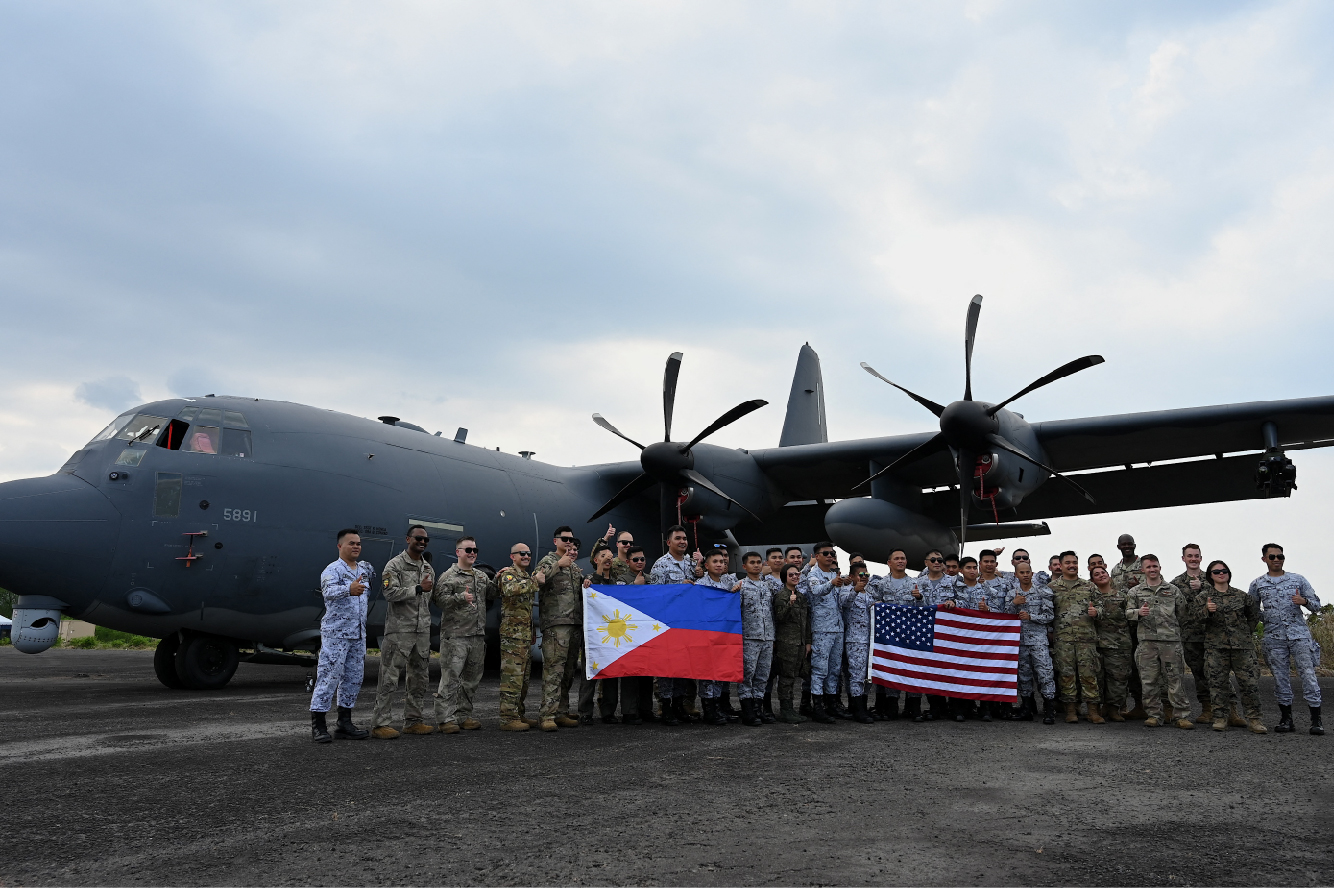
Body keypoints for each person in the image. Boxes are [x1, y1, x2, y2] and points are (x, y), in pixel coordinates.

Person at [1249, 544, 1323, 735]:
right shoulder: (1257, 584)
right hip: (1274, 638)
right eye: (1272, 556)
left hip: (1299, 636)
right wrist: (1267, 619)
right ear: (1264, 559)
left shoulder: (1298, 580)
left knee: (1308, 676)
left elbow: (1317, 606)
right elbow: (1252, 610)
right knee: (1280, 679)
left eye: (1280, 556)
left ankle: (1316, 721)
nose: (1277, 560)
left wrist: (1304, 602)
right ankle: (1286, 719)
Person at [371, 525, 436, 739]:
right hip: (399, 632)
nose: (422, 542)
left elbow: (428, 600)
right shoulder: (395, 565)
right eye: (418, 538)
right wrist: (417, 588)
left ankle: (413, 720)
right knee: (389, 677)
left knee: (419, 678)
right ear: (408, 539)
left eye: (426, 539)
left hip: (421, 632)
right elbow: (389, 592)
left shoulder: (428, 568)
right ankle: (381, 724)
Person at [310, 529, 373, 743]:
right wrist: (349, 588)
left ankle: (344, 723)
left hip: (357, 634)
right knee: (328, 677)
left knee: (353, 678)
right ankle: (318, 725)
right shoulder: (333, 569)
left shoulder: (364, 569)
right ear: (340, 546)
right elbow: (327, 592)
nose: (356, 546)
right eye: (351, 543)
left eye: (358, 543)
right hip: (336, 634)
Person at [432, 536, 496, 734]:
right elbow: (438, 600)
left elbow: (492, 594)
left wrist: (500, 578)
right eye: (468, 550)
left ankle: (463, 715)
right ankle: (445, 719)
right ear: (458, 552)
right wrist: (460, 598)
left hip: (477, 636)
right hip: (456, 635)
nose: (472, 554)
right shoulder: (448, 576)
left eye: (475, 550)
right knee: (451, 679)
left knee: (471, 680)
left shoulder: (480, 576)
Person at [1126, 554, 1193, 730]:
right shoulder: (1135, 592)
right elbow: (1127, 613)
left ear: (1160, 567)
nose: (1152, 569)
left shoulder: (1173, 590)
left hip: (1170, 642)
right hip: (1147, 643)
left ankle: (1181, 716)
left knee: (1175, 680)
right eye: (1148, 567)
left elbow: (1183, 613)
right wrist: (1138, 612)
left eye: (1155, 566)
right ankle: (1154, 715)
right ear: (1142, 570)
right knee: (1149, 681)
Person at [1199, 560, 1267, 734]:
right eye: (1216, 572)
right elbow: (1194, 619)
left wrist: (1244, 633)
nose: (1221, 574)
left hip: (1242, 648)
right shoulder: (1203, 597)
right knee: (1217, 684)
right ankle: (1220, 718)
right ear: (1210, 576)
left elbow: (1253, 616)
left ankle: (1254, 719)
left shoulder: (1241, 596)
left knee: (1249, 684)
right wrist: (1207, 610)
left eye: (1224, 571)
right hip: (1216, 648)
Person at [649, 525, 704, 725]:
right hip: (668, 623)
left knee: (683, 666)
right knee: (667, 667)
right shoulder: (660, 565)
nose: (682, 541)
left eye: (684, 538)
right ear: (669, 542)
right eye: (678, 538)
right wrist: (677, 589)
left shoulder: (691, 564)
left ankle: (679, 704)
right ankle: (666, 705)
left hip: (689, 623)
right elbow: (655, 595)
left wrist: (701, 570)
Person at [534, 527, 585, 731]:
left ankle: (561, 711)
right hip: (556, 626)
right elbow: (537, 580)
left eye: (571, 539)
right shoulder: (549, 561)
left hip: (574, 624)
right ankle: (547, 714)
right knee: (553, 671)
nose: (569, 542)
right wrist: (557, 565)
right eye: (565, 539)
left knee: (569, 672)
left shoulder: (573, 567)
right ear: (555, 541)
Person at [582, 545, 637, 724]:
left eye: (610, 556)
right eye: (603, 556)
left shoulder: (616, 581)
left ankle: (608, 712)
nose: (608, 558)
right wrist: (591, 581)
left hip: (614, 634)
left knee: (612, 675)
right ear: (596, 560)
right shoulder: (589, 580)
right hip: (594, 635)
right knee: (590, 676)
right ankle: (585, 713)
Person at [1049, 551, 1104, 724]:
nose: (1072, 565)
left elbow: (1101, 606)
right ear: (1061, 565)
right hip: (1063, 640)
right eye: (1068, 563)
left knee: (1089, 675)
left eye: (1074, 562)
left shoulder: (1089, 586)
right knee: (1066, 675)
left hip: (1086, 639)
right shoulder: (1052, 588)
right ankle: (1071, 710)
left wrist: (1097, 612)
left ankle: (1093, 711)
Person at [496, 543, 544, 731]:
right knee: (511, 678)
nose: (526, 556)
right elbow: (510, 589)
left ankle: (518, 714)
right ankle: (507, 718)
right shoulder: (509, 574)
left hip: (524, 635)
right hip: (512, 637)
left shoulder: (525, 576)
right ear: (512, 556)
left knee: (522, 679)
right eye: (521, 553)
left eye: (528, 554)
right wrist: (535, 582)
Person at [1169, 543, 1217, 723]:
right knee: (1199, 673)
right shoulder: (1176, 583)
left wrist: (1203, 585)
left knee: (1218, 673)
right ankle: (1207, 709)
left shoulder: (1213, 577)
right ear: (1183, 558)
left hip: (1213, 634)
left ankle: (1230, 710)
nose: (1193, 559)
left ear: (1201, 558)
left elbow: (1226, 593)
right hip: (1190, 636)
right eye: (1190, 556)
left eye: (1196, 556)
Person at [908, 549, 957, 722]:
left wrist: (955, 602)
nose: (937, 562)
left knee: (949, 670)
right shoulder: (916, 583)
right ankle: (936, 707)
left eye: (940, 560)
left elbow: (965, 600)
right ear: (926, 563)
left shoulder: (954, 581)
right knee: (930, 670)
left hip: (948, 633)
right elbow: (911, 607)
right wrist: (920, 598)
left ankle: (954, 708)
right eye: (933, 560)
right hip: (925, 632)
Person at [802, 541, 847, 724]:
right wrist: (832, 583)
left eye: (832, 553)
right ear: (817, 556)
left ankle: (831, 704)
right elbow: (816, 590)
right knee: (820, 670)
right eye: (826, 553)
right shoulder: (814, 575)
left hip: (837, 628)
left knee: (834, 670)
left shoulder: (836, 574)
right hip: (821, 629)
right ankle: (817, 707)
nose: (830, 556)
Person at [1005, 562, 1056, 724]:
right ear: (1016, 575)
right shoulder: (1012, 593)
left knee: (1045, 674)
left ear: (1032, 573)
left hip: (1038, 641)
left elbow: (1049, 616)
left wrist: (1031, 617)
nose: (1025, 575)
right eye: (1022, 572)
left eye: (1028, 572)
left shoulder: (1042, 591)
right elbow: (1005, 615)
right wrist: (1014, 604)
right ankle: (1026, 708)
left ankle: (1049, 710)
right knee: (1023, 676)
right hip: (1019, 641)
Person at [869, 549, 916, 719]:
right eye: (896, 559)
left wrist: (919, 599)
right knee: (891, 668)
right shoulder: (880, 584)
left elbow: (924, 608)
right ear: (889, 563)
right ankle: (891, 706)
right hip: (889, 636)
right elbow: (871, 605)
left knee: (911, 668)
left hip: (910, 634)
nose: (900, 561)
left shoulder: (915, 584)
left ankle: (912, 706)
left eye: (903, 558)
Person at [694, 549, 738, 726]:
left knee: (721, 672)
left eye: (722, 561)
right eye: (715, 562)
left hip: (725, 634)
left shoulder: (730, 582)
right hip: (707, 635)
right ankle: (709, 710)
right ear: (706, 565)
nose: (719, 564)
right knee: (707, 674)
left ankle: (718, 706)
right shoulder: (700, 585)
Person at [733, 552, 776, 726]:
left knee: (763, 675)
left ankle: (758, 709)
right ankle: (748, 711)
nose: (756, 565)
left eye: (759, 562)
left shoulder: (767, 586)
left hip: (767, 637)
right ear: (745, 566)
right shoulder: (741, 586)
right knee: (747, 675)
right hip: (750, 637)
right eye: (752, 563)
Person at [1090, 565, 1132, 722]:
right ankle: (1101, 707)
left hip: (1119, 644)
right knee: (1098, 678)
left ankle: (1114, 708)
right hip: (1097, 643)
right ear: (1093, 579)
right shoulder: (1091, 598)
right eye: (1097, 574)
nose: (1101, 575)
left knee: (1118, 679)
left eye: (1103, 572)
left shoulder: (1122, 596)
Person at [771, 563, 812, 724]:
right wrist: (790, 604)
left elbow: (806, 621)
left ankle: (792, 708)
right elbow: (780, 618)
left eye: (797, 574)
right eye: (791, 575)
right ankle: (786, 709)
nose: (795, 577)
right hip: (787, 643)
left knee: (795, 676)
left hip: (800, 643)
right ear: (784, 577)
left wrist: (808, 642)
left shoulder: (801, 596)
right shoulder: (782, 595)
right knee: (786, 677)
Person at [838, 563, 877, 724]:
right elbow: (845, 604)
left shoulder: (870, 593)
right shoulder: (846, 590)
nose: (864, 578)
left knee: (868, 676)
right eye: (861, 574)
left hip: (870, 640)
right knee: (857, 676)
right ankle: (857, 709)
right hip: (855, 640)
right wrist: (855, 590)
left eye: (866, 575)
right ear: (852, 576)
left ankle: (863, 706)